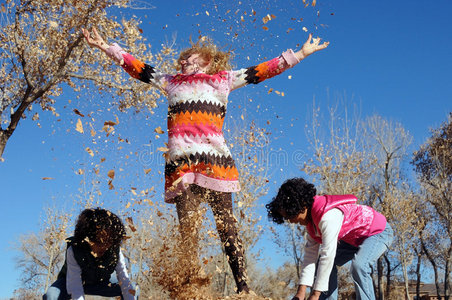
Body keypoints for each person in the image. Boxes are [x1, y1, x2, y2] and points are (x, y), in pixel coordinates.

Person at [82, 27, 329, 293]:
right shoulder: (171, 82)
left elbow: (260, 72)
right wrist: (107, 48)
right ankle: (188, 291)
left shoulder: (222, 80)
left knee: (227, 226)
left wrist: (300, 54)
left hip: (216, 166)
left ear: (207, 61)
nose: (183, 61)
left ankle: (243, 288)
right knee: (188, 232)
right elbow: (139, 68)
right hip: (181, 168)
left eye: (189, 58)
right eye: (181, 59)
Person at [266, 178, 393, 300]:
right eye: (287, 218)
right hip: (354, 240)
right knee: (321, 262)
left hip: (378, 232)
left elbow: (328, 254)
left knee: (359, 266)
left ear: (302, 206)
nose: (291, 221)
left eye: (290, 215)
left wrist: (315, 295)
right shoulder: (312, 225)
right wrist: (301, 291)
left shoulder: (327, 217)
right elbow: (310, 257)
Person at [43, 208, 135, 300]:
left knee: (132, 289)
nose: (104, 246)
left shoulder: (115, 250)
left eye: (108, 242)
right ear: (87, 238)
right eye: (99, 242)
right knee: (52, 296)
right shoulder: (74, 249)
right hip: (70, 282)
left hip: (101, 282)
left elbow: (124, 280)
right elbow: (75, 287)